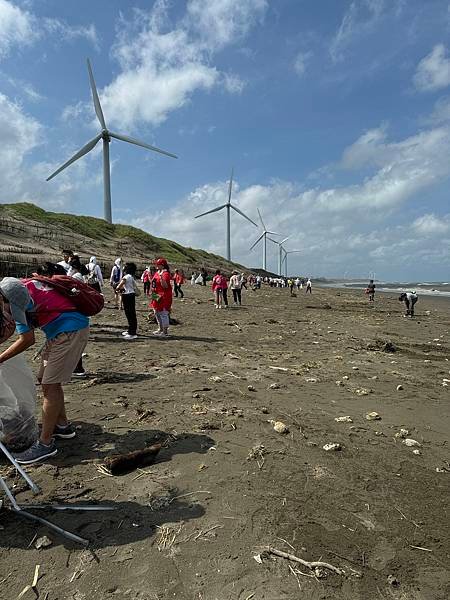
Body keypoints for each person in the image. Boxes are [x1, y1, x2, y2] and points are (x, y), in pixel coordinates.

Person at [0, 276, 90, 464]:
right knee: (45, 379)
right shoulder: (22, 287)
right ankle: (62, 426)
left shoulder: (18, 302)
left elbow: (27, 339)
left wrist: (1, 358)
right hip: (61, 331)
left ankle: (45, 444)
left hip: (70, 331)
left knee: (50, 384)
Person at [69, 257, 89, 377]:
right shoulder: (79, 276)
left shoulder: (76, 277)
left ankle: (78, 367)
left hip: (77, 311)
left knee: (75, 341)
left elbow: (74, 292)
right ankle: (77, 367)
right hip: (79, 311)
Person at [116, 263, 139, 340]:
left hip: (128, 296)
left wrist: (117, 288)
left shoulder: (126, 277)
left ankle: (132, 332)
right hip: (130, 295)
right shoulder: (131, 277)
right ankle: (131, 330)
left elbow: (119, 285)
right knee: (130, 314)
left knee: (130, 314)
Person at [151, 258, 173, 337]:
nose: (156, 265)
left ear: (162, 265)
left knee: (163, 313)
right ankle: (160, 328)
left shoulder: (165, 273)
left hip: (164, 295)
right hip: (156, 294)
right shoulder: (157, 272)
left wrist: (161, 277)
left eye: (158, 264)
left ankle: (165, 331)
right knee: (156, 311)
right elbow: (153, 282)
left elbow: (165, 286)